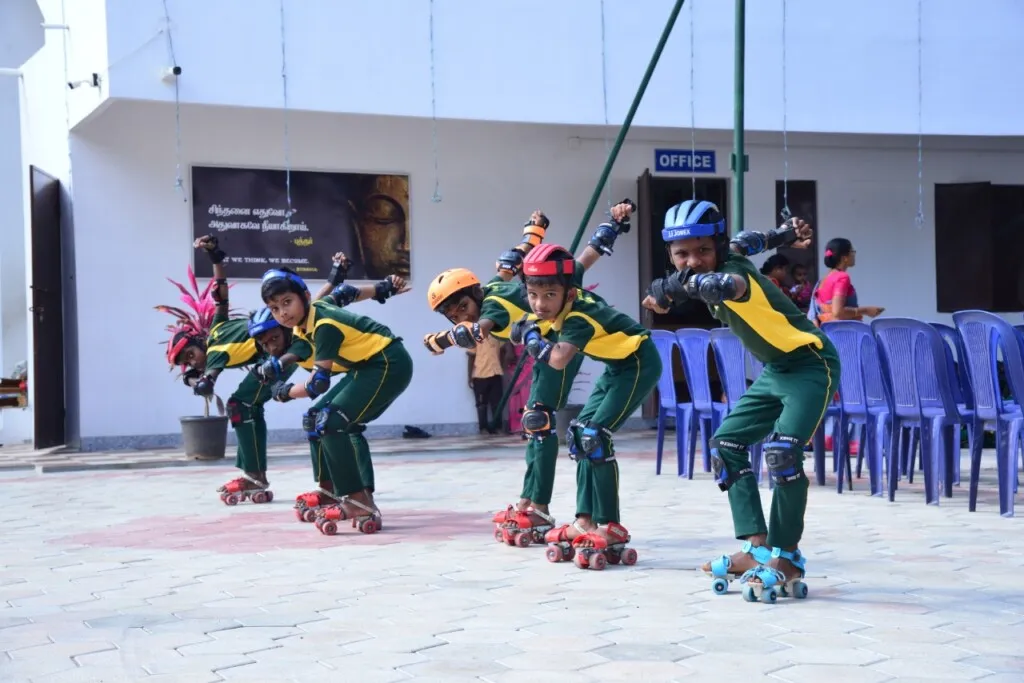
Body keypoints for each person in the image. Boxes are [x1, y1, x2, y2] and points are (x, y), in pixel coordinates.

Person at [643, 200, 834, 601]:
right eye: (682, 253)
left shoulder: (733, 275)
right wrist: (784, 234)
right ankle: (756, 549)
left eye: (703, 250)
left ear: (717, 247)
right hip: (775, 370)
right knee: (726, 445)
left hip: (811, 364)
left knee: (782, 454)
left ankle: (786, 557)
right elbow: (752, 241)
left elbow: (723, 286)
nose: (693, 260)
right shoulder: (730, 251)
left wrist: (672, 287)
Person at [423, 201, 634, 547]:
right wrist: (534, 230)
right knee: (536, 422)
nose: (462, 315)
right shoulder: (495, 284)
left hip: (561, 343)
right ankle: (530, 501)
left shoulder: (491, 304)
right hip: (549, 344)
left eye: (463, 306)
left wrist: (440, 340)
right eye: (453, 315)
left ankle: (538, 508)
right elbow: (520, 257)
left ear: (475, 293)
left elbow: (475, 332)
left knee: (539, 421)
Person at [512, 243, 661, 570]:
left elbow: (558, 359)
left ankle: (610, 525)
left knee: (595, 435)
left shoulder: (578, 317)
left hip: (639, 363)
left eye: (549, 295)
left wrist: (531, 338)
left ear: (568, 294)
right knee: (580, 434)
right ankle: (584, 521)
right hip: (616, 366)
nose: (540, 304)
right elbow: (585, 258)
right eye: (533, 295)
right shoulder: (567, 286)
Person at [163, 235, 335, 505]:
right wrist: (216, 257)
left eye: (191, 355)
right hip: (277, 351)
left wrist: (196, 380)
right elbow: (220, 294)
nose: (193, 362)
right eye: (188, 362)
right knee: (245, 405)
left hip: (279, 355)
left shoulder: (215, 353)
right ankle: (253, 474)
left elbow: (208, 381)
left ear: (199, 341)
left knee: (240, 405)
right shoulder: (217, 326)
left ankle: (255, 476)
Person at [247, 252, 410, 523]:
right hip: (365, 367)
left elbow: (318, 384)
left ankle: (359, 501)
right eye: (275, 308)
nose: (282, 313)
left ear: (303, 298)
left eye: (287, 302)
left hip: (387, 362)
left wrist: (284, 392)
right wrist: (383, 288)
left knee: (331, 421)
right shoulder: (307, 315)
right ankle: (330, 490)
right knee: (314, 419)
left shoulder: (324, 326)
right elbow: (344, 293)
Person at [809, 237, 884, 325]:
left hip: (827, 330)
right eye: (852, 251)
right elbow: (838, 312)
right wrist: (866, 310)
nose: (854, 254)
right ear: (844, 258)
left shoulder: (825, 278)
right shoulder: (842, 277)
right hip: (843, 331)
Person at [466, 335, 504, 435]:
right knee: (481, 404)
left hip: (496, 373)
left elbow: (503, 351)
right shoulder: (474, 337)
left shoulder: (497, 336)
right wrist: (469, 377)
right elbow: (471, 356)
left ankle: (498, 427)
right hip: (480, 375)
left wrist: (502, 367)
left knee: (497, 403)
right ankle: (483, 428)